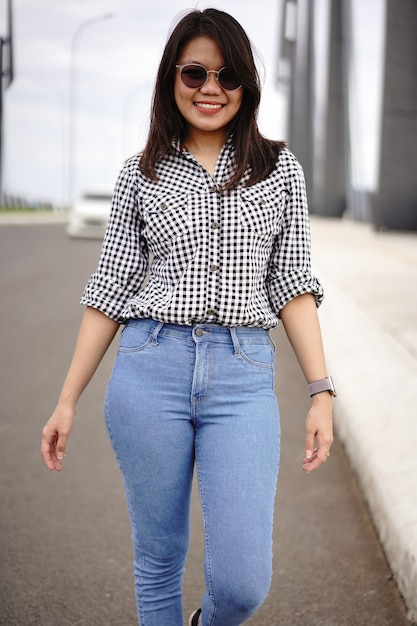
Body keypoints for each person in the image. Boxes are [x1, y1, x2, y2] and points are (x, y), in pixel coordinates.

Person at [41, 8, 334, 626]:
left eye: (226, 76)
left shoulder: (279, 170)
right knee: (158, 558)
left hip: (242, 373)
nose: (210, 88)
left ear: (246, 86)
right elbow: (109, 290)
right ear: (171, 79)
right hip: (151, 368)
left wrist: (320, 392)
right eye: (195, 71)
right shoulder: (140, 173)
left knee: (243, 580)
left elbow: (293, 284)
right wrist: (67, 400)